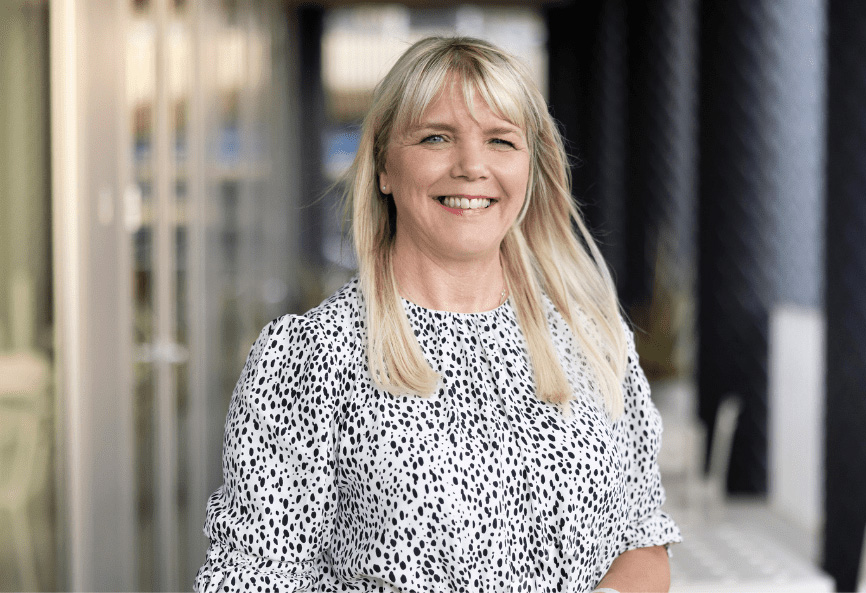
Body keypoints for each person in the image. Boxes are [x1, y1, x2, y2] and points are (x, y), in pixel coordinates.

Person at [194, 36, 681, 593]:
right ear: (383, 166)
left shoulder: (595, 341)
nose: (472, 166)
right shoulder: (310, 358)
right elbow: (252, 579)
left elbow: (643, 539)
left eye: (501, 141)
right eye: (436, 138)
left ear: (530, 169)